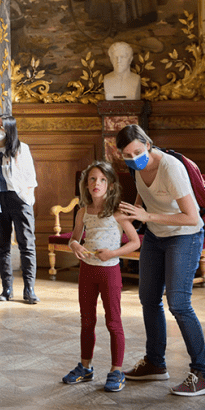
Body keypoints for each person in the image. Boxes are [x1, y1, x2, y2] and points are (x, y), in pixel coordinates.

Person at [115, 125, 205, 396]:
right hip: (156, 235)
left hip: (185, 235)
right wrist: (134, 212)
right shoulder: (135, 166)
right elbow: (143, 194)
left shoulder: (170, 167)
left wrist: (147, 217)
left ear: (148, 144)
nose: (134, 158)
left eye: (138, 151)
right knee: (148, 298)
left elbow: (192, 217)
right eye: (127, 155)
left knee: (179, 303)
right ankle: (155, 364)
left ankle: (204, 374)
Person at [62, 161, 140, 392]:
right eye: (92, 179)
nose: (97, 184)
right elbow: (74, 238)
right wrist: (74, 245)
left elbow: (135, 242)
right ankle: (86, 367)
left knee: (113, 322)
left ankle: (117, 370)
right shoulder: (83, 211)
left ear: (111, 185)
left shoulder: (117, 212)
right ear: (86, 185)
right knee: (86, 321)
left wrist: (113, 253)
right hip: (87, 271)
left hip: (110, 272)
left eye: (102, 180)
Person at [0, 114, 39, 304]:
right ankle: (7, 288)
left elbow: (30, 178)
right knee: (2, 247)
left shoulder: (21, 148)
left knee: (26, 244)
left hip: (19, 199)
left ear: (10, 129)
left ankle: (29, 288)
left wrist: (25, 198)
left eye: (2, 127)